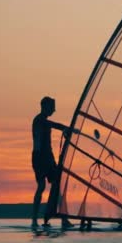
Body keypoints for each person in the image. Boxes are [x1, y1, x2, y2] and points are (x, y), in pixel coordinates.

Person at [32, 96, 75, 229]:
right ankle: (34, 220)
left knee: (58, 185)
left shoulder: (44, 121)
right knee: (41, 187)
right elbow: (53, 125)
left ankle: (63, 219)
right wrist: (67, 129)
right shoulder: (39, 120)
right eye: (52, 107)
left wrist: (66, 130)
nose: (54, 110)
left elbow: (52, 125)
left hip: (49, 158)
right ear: (45, 107)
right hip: (39, 158)